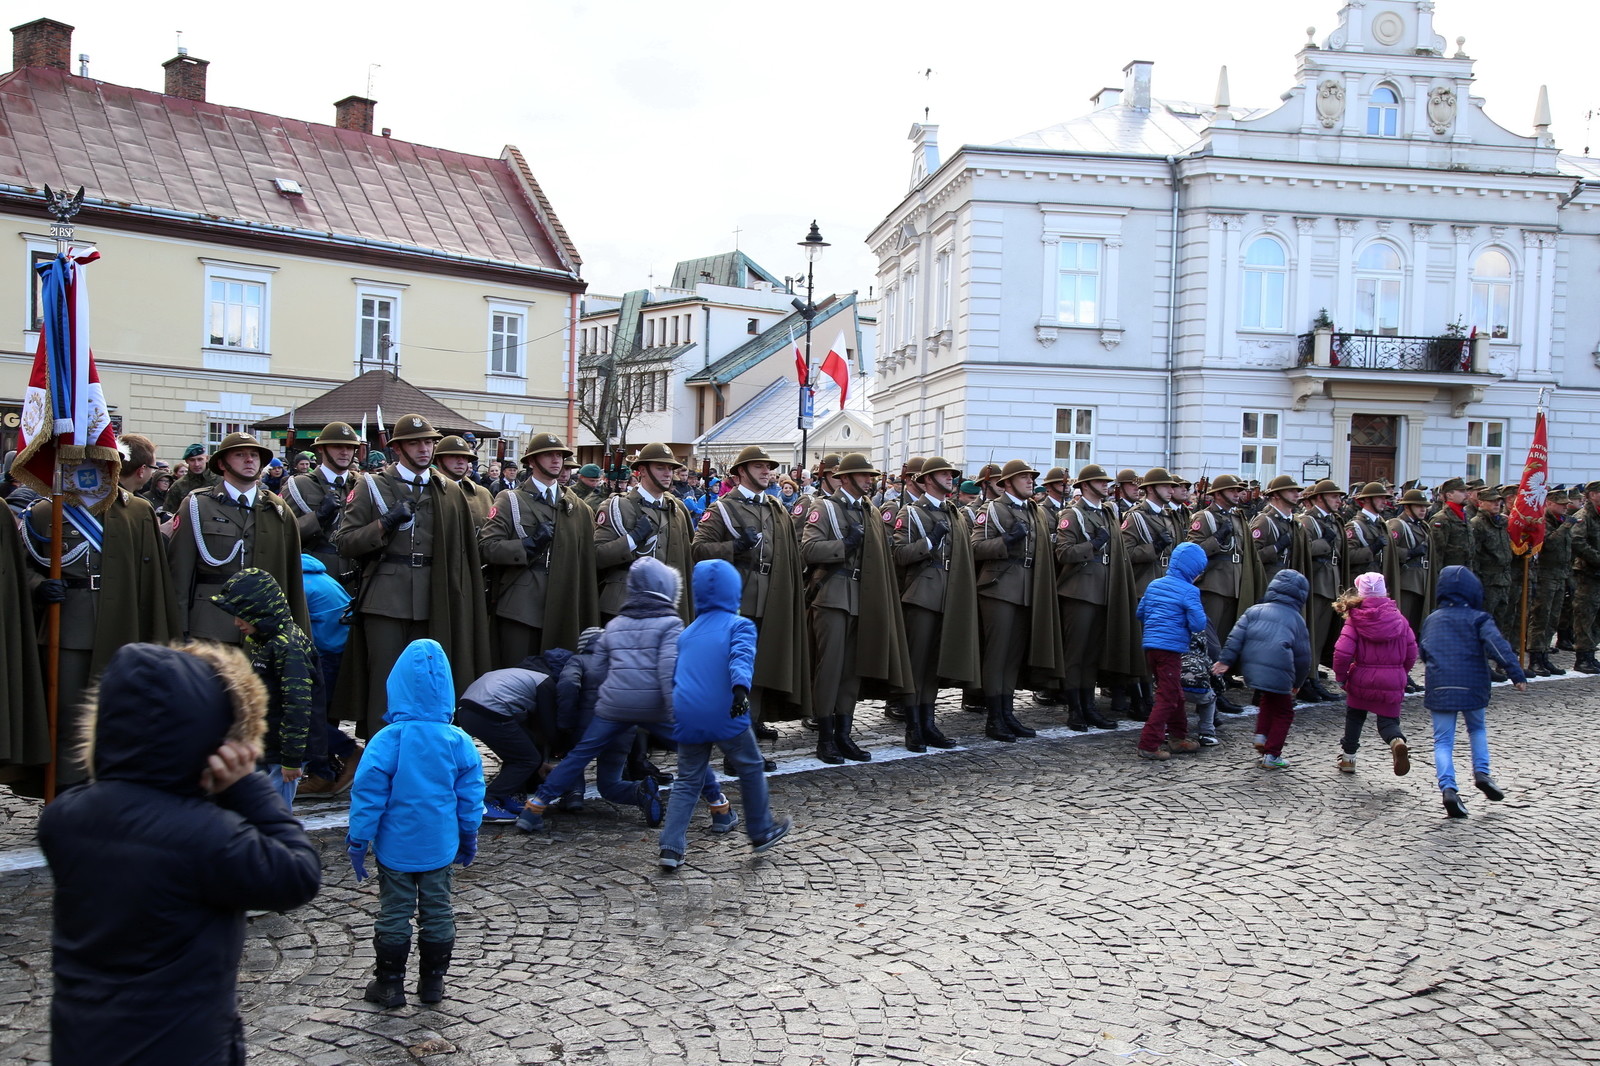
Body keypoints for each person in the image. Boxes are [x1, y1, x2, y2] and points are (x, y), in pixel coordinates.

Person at [38, 641, 321, 1065]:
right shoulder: (207, 836)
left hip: (81, 1042)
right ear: (213, 742)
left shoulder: (64, 819)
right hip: (184, 1046)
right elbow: (298, 874)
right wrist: (247, 787)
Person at [20, 432, 180, 782]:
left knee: (121, 712)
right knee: (67, 715)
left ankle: (114, 788)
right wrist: (39, 586)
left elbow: (152, 576)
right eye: (85, 460)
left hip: (124, 623)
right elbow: (22, 567)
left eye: (101, 460)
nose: (93, 467)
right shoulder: (47, 511)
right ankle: (67, 790)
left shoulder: (137, 510)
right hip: (68, 625)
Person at [346, 639, 484, 1008]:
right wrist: (469, 835)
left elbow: (368, 795)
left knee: (394, 911)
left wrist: (359, 839)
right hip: (440, 844)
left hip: (396, 846)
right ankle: (433, 983)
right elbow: (471, 796)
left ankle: (390, 985)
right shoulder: (458, 741)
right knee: (438, 910)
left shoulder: (387, 740)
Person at [335, 414, 490, 734]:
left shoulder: (449, 491)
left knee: (431, 680)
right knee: (385, 680)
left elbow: (463, 552)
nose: (424, 449)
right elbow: (345, 543)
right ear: (398, 448)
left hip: (437, 595)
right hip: (385, 598)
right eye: (415, 443)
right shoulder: (372, 486)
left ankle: (425, 748)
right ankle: (382, 749)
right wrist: (384, 523)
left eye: (429, 442)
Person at [516, 558, 684, 832]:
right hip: (633, 724)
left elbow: (573, 683)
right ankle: (715, 807)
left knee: (576, 758)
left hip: (605, 715)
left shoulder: (602, 639)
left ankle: (538, 806)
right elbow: (667, 670)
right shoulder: (668, 624)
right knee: (617, 780)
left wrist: (566, 722)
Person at [658, 560, 794, 869]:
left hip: (688, 713)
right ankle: (761, 831)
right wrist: (740, 691)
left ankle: (671, 847)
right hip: (724, 708)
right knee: (750, 766)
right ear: (733, 590)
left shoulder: (687, 633)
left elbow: (677, 674)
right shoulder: (739, 625)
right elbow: (740, 658)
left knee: (687, 781)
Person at [692, 445, 810, 747]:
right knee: (736, 671)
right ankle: (736, 742)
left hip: (772, 595)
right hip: (739, 598)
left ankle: (751, 723)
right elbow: (698, 549)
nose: (766, 471)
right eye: (758, 466)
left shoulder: (775, 506)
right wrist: (733, 548)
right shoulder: (723, 508)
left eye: (768, 466)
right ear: (741, 472)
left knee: (759, 665)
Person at [799, 452, 913, 763]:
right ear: (846, 478)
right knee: (830, 667)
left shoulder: (870, 510)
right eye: (863, 475)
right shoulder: (824, 508)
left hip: (863, 594)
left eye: (871, 476)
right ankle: (825, 737)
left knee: (852, 670)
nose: (869, 480)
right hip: (832, 594)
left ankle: (844, 734)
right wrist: (845, 544)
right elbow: (808, 549)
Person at [167, 431, 308, 647]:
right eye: (240, 454)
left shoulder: (278, 509)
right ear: (221, 464)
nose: (249, 460)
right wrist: (179, 630)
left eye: (254, 455)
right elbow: (180, 572)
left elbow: (293, 577)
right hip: (211, 626)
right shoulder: (198, 505)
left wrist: (296, 634)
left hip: (264, 627)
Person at [478, 433, 598, 667]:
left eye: (559, 455)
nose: (556, 460)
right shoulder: (511, 500)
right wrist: (527, 545)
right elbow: (487, 547)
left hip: (564, 603)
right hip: (521, 607)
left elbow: (586, 560)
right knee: (517, 674)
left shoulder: (579, 508)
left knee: (557, 675)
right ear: (531, 461)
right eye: (548, 455)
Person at [1418, 566, 1528, 817]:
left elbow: (1424, 650)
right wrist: (1515, 674)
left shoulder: (1433, 619)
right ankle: (1482, 773)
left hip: (1440, 684)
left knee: (1442, 740)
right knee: (1476, 729)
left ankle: (1448, 789)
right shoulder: (1478, 618)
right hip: (1472, 683)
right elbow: (1497, 646)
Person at [970, 459, 1064, 742]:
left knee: (1013, 657)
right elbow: (975, 547)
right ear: (1008, 482)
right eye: (1024, 477)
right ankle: (994, 717)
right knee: (997, 655)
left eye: (1031, 477)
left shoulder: (1033, 510)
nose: (1030, 481)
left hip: (1027, 587)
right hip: (999, 587)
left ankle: (1007, 712)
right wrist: (1006, 541)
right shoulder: (993, 509)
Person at [891, 456, 980, 751]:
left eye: (951, 474)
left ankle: (928, 723)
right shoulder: (912, 512)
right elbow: (899, 555)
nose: (950, 478)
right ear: (928, 479)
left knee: (933, 665)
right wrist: (929, 541)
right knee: (917, 665)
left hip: (949, 594)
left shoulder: (953, 512)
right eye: (943, 474)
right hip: (922, 595)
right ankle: (913, 727)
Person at [209, 567, 319, 807]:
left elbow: (298, 705)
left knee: (274, 811)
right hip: (268, 746)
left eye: (242, 615)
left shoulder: (287, 646)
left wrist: (291, 759)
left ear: (259, 611)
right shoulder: (267, 641)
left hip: (283, 754)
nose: (236, 622)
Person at [1213, 568, 1312, 770]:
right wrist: (1298, 682)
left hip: (1252, 668)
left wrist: (1225, 661)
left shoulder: (1254, 610)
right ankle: (1272, 754)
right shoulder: (1296, 619)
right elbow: (1303, 657)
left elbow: (1235, 637)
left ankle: (1261, 735)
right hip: (1281, 670)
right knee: (1285, 712)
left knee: (1267, 700)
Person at [594, 443, 694, 623]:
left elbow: (688, 558)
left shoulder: (677, 509)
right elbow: (597, 555)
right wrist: (632, 538)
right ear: (642, 470)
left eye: (670, 468)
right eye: (660, 468)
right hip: (625, 608)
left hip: (668, 608)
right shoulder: (618, 506)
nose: (668, 474)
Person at [1332, 572, 1417, 777]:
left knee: (1355, 716)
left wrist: (1341, 677)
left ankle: (1348, 758)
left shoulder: (1355, 619)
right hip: (1393, 679)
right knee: (1388, 722)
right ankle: (1397, 741)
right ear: (1384, 592)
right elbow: (1412, 651)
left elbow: (1342, 652)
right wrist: (1401, 673)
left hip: (1362, 677)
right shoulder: (1399, 619)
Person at [1134, 541, 1209, 760]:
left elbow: (1140, 612)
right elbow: (1198, 623)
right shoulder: (1189, 591)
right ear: (1194, 571)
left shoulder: (1154, 584)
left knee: (1175, 692)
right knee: (1167, 697)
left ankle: (1178, 736)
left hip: (1151, 647)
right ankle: (1149, 743)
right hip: (1170, 649)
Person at [295, 553, 362, 796]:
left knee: (303, 715)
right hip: (340, 652)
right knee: (321, 714)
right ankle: (324, 772)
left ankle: (347, 753)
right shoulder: (318, 577)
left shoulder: (299, 585)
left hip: (326, 654)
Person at [455, 659, 555, 822]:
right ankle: (487, 801)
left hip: (466, 710)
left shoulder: (519, 673)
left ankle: (508, 794)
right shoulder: (545, 681)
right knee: (527, 759)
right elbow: (547, 725)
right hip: (490, 711)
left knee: (520, 750)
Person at [281, 422, 364, 594]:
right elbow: (282, 533)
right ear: (321, 449)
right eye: (337, 446)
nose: (345, 452)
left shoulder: (361, 485)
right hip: (315, 575)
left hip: (356, 573)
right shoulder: (299, 485)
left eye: (350, 447)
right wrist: (317, 517)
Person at [1293, 479, 1347, 702]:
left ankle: (1313, 675)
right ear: (1319, 498)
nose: (1338, 501)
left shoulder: (1333, 521)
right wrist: (1324, 542)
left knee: (1322, 636)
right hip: (1316, 583)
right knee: (1311, 635)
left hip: (1331, 582)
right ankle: (1306, 678)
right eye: (1334, 496)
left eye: (1339, 497)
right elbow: (1303, 548)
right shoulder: (1308, 520)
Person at [1527, 488, 1573, 676]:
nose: (1565, 507)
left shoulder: (1561, 521)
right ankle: (1535, 658)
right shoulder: (1543, 521)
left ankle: (1545, 655)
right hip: (1544, 575)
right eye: (1561, 504)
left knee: (1553, 619)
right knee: (1541, 617)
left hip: (1560, 575)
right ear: (1549, 503)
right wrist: (1565, 527)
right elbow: (1548, 544)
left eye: (1566, 504)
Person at [434, 435, 493, 531]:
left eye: (465, 457)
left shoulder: (482, 494)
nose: (461, 461)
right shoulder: (428, 489)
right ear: (439, 460)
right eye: (453, 456)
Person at [163, 442, 216, 511]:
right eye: (192, 460)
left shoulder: (219, 480)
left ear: (207, 458)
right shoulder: (178, 486)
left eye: (200, 459)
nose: (196, 464)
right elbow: (169, 512)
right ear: (187, 461)